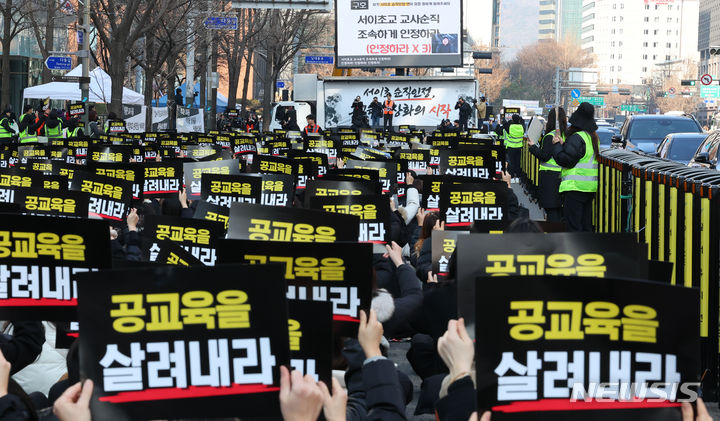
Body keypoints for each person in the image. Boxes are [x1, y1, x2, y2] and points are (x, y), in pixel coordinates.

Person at [551, 102, 599, 232]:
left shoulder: (577, 138)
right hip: (589, 189)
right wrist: (563, 145)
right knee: (585, 225)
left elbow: (565, 160)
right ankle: (585, 251)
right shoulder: (592, 138)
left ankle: (574, 252)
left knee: (573, 227)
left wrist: (556, 145)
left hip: (575, 188)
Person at [527, 108, 566, 223]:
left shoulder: (550, 136)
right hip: (562, 176)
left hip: (550, 178)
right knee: (559, 211)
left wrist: (533, 147)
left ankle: (553, 237)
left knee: (551, 210)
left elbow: (545, 156)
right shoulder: (565, 135)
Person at [504, 114, 525, 183]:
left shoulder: (510, 127)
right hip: (519, 147)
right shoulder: (522, 127)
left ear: (512, 119)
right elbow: (523, 123)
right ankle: (518, 177)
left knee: (511, 163)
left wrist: (510, 121)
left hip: (511, 147)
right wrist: (521, 120)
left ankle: (512, 177)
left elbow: (505, 124)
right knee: (518, 162)